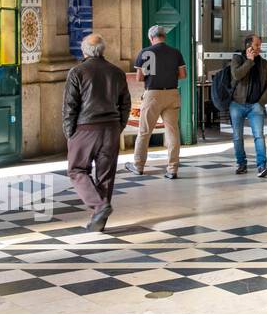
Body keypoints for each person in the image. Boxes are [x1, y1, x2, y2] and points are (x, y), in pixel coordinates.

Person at [63, 34, 131, 233]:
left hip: (85, 128)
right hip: (111, 128)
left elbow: (69, 106)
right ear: (103, 50)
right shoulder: (117, 72)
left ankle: (100, 207)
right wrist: (119, 126)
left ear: (84, 51)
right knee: (105, 176)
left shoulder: (77, 72)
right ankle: (98, 221)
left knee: (76, 170)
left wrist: (70, 133)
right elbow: (125, 103)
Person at [128, 25, 186, 178]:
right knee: (172, 132)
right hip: (172, 93)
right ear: (164, 36)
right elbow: (183, 74)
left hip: (153, 94)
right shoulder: (175, 52)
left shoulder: (146, 52)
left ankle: (138, 165)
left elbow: (140, 78)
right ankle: (173, 169)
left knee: (144, 131)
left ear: (151, 37)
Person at [229, 34, 267, 178]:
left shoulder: (264, 63)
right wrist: (249, 61)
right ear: (249, 46)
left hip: (256, 106)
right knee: (237, 136)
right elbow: (236, 75)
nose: (259, 48)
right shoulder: (237, 59)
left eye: (260, 45)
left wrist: (261, 103)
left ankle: (262, 166)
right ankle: (241, 163)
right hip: (237, 104)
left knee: (259, 136)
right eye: (257, 45)